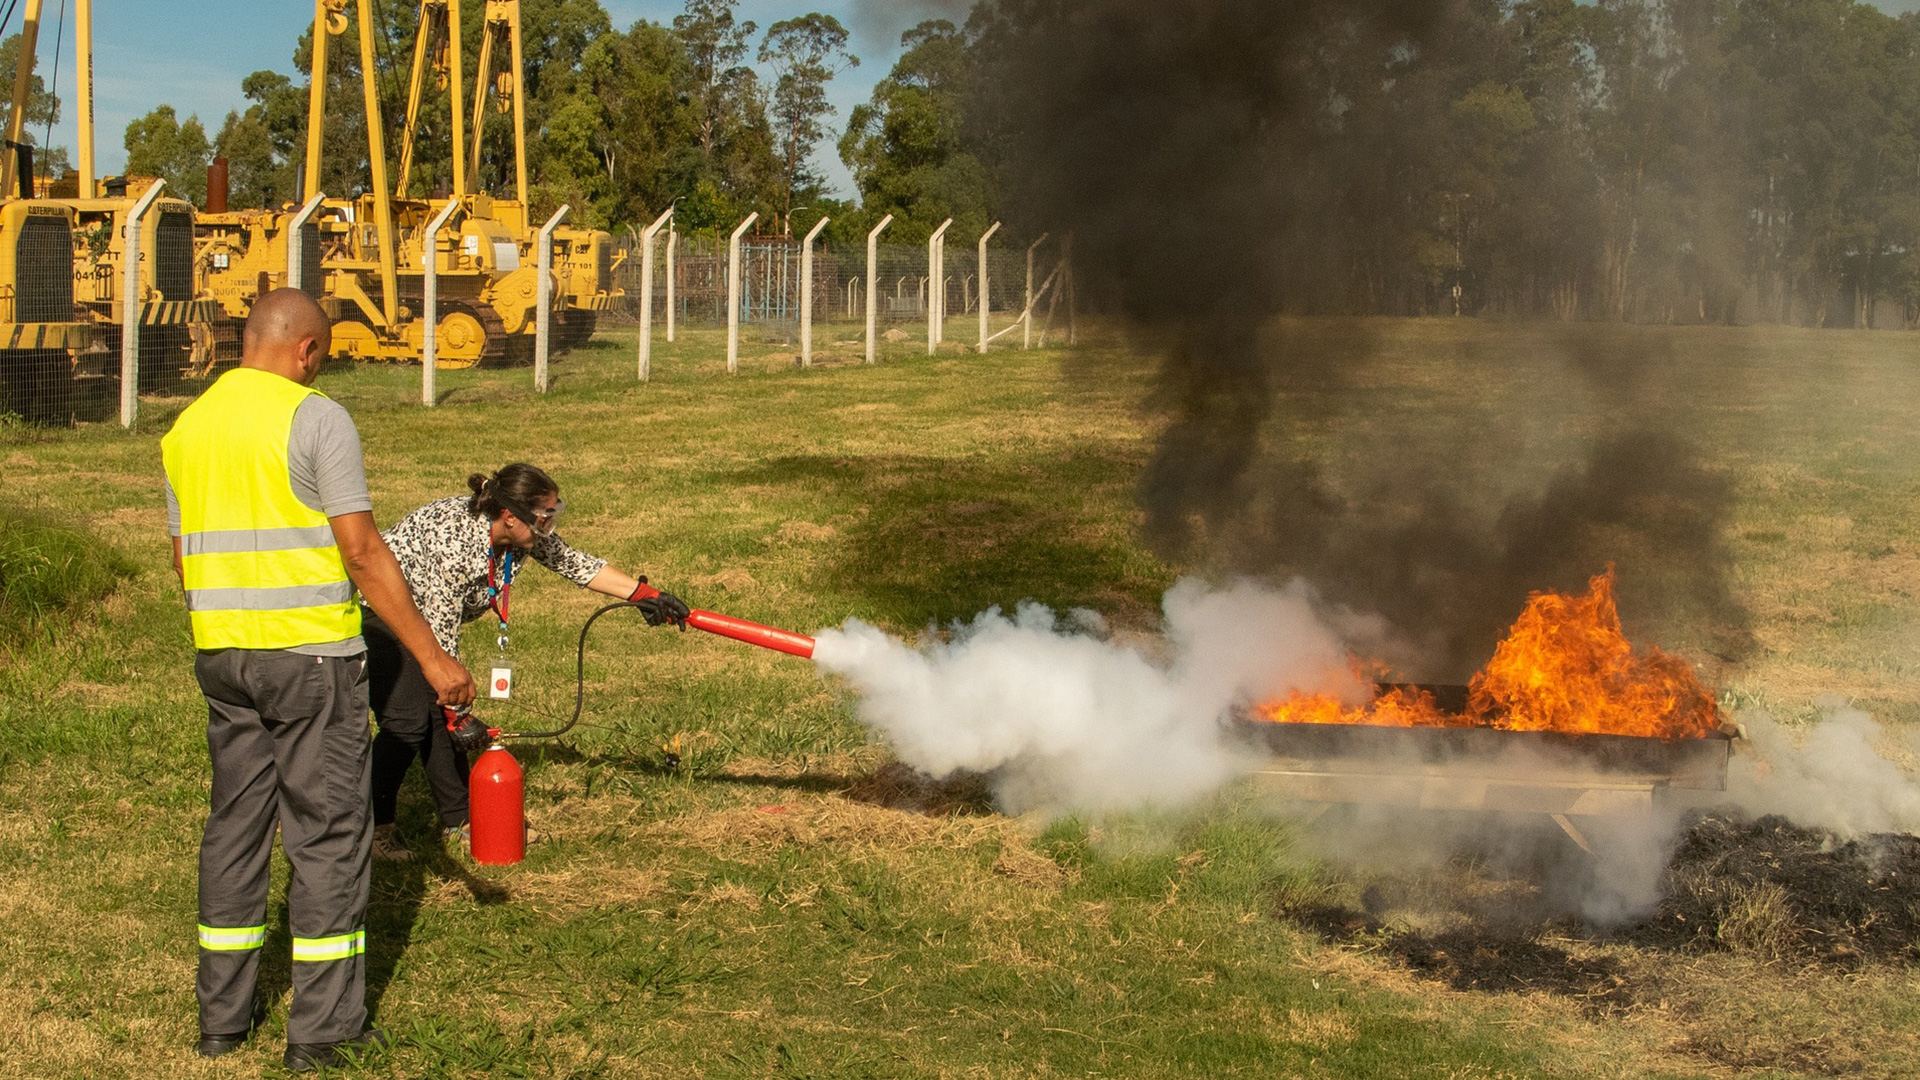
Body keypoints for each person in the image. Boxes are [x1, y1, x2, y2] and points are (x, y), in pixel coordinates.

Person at [161, 289, 475, 1072]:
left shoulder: (187, 427)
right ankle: (325, 1029)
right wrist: (433, 658)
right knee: (329, 837)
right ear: (306, 350)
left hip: (222, 656)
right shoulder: (316, 417)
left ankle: (221, 1022)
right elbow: (363, 551)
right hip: (311, 662)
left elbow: (182, 559)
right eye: (322, 357)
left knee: (235, 828)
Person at [366, 462, 689, 860]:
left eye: (553, 516)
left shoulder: (520, 535)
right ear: (509, 514)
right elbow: (438, 634)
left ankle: (461, 821)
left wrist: (644, 595)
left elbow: (576, 563)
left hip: (420, 620)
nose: (547, 528)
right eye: (543, 518)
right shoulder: (453, 541)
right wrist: (458, 711)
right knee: (410, 719)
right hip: (376, 613)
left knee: (434, 715)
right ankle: (372, 829)